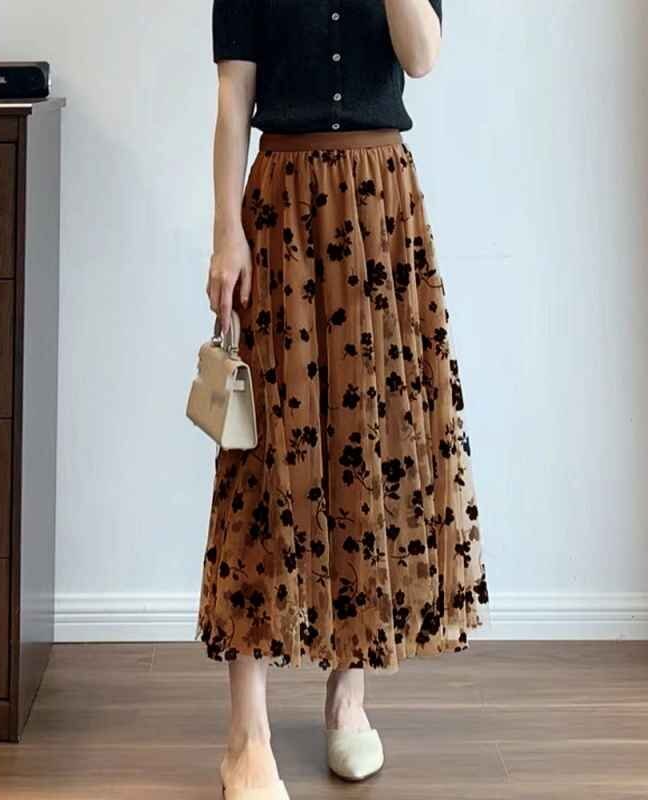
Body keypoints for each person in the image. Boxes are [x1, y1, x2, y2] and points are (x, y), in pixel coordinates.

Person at [197, 2, 489, 797]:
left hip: (377, 210)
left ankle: (347, 698)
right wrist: (226, 232)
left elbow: (420, 57)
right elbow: (233, 95)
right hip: (281, 208)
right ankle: (246, 734)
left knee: (374, 445)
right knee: (260, 458)